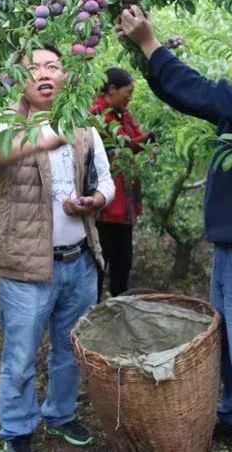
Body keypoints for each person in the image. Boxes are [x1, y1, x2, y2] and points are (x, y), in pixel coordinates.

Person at [115, 5, 232, 451]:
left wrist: (149, 43)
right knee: (229, 350)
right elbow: (189, 97)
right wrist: (145, 55)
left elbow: (203, 93)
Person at [0, 44, 115, 452]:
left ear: (65, 77)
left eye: (52, 66)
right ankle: (18, 430)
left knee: (71, 351)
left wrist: (96, 201)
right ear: (20, 79)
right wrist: (48, 134)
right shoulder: (4, 124)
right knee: (20, 357)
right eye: (33, 67)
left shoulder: (84, 128)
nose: (43, 72)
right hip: (26, 268)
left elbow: (105, 180)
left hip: (79, 261)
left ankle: (60, 413)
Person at [88, 67, 152, 302]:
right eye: (127, 93)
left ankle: (117, 314)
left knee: (122, 264)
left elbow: (137, 137)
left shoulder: (122, 114)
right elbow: (121, 142)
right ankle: (91, 318)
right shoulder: (96, 113)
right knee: (98, 264)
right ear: (112, 89)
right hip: (103, 207)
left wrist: (145, 141)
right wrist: (144, 141)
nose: (129, 99)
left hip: (121, 207)